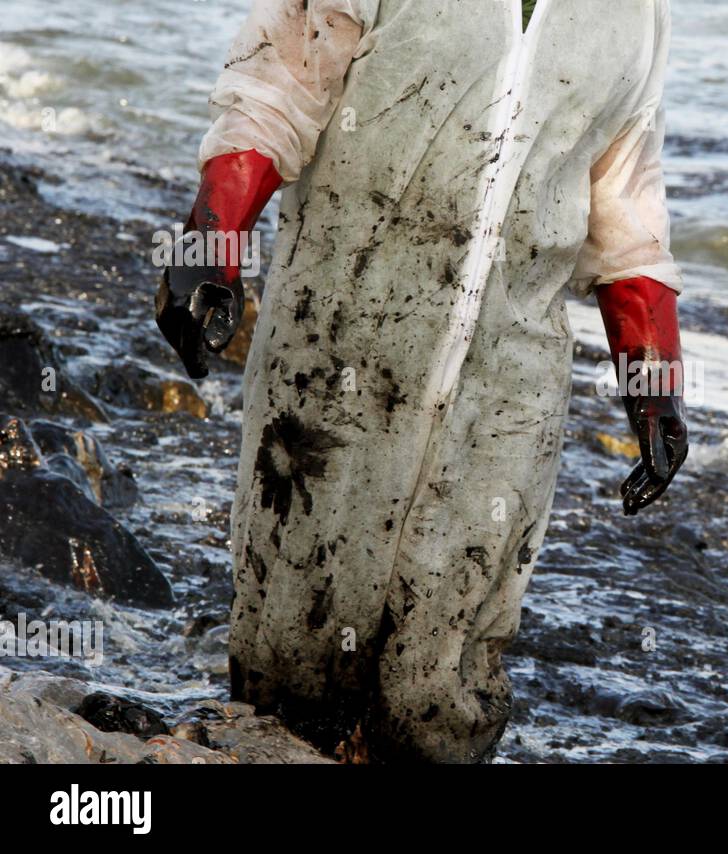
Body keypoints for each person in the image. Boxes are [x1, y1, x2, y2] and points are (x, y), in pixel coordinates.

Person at [155, 0, 687, 763]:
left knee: (450, 664)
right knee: (296, 623)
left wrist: (654, 381)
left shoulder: (637, 15)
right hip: (337, 342)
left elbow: (626, 202)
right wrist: (213, 238)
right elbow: (278, 87)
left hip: (511, 384)